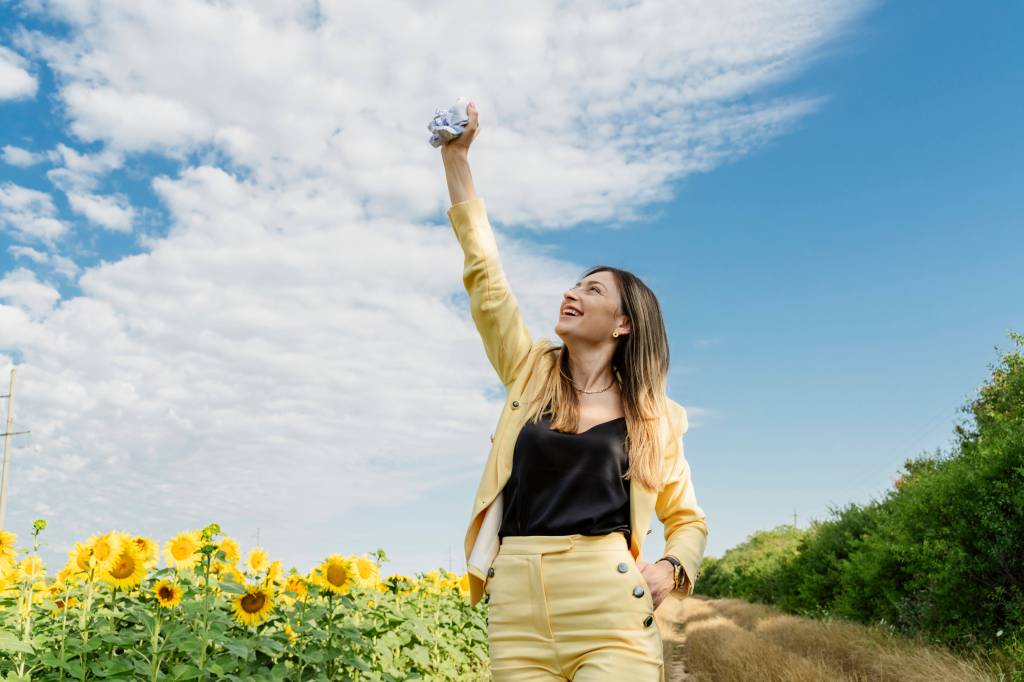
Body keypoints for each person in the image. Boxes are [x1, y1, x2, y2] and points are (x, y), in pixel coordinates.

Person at [439, 100, 708, 682]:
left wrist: (671, 568)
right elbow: (486, 282)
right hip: (516, 606)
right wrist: (456, 162)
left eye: (593, 290)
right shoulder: (530, 372)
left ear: (623, 323)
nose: (573, 292)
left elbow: (686, 519)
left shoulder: (656, 417)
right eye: (573, 284)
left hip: (608, 603)